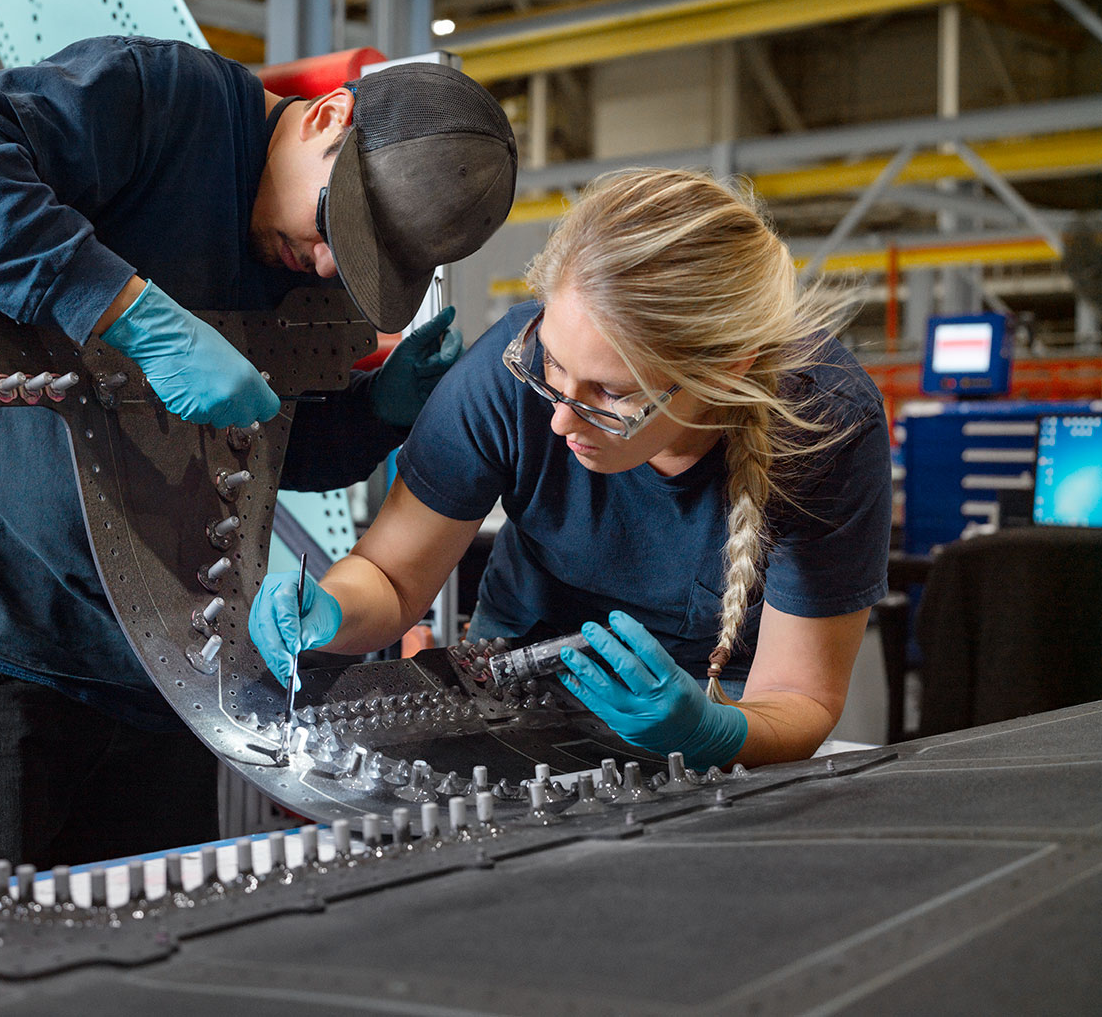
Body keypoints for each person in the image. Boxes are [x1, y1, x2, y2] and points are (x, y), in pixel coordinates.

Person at [0, 35, 518, 889]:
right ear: (328, 116)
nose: (321, 266)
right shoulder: (159, 98)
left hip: (163, 665)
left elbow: (260, 449)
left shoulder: (310, 258)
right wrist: (130, 314)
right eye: (326, 232)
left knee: (146, 948)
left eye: (350, 262)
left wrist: (373, 417)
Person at [250, 168, 892, 772]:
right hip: (519, 665)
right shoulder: (505, 376)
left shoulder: (824, 425)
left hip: (730, 701)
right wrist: (329, 608)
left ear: (728, 372)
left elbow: (798, 698)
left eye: (613, 393)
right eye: (552, 365)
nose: (561, 419)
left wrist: (710, 731)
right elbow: (390, 576)